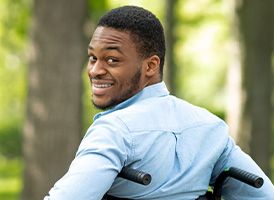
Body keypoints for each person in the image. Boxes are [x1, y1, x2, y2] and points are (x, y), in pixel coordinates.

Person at [44, 5, 274, 200]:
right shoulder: (210, 128)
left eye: (112, 60)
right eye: (93, 58)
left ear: (151, 66)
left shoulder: (114, 131)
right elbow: (264, 194)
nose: (95, 70)